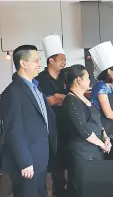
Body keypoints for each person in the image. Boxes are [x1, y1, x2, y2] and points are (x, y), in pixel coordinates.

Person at [1, 45, 57, 197]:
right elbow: (13, 130)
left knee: (41, 192)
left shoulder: (35, 87)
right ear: (23, 63)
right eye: (36, 61)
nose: (40, 64)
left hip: (40, 155)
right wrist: (24, 161)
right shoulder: (13, 92)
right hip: (27, 161)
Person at [62, 64, 112, 196]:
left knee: (95, 187)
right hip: (82, 153)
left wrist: (106, 138)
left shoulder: (85, 98)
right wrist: (102, 144)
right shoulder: (71, 101)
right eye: (88, 77)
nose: (90, 80)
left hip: (95, 150)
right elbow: (83, 129)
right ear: (79, 79)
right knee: (83, 189)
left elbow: (97, 122)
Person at [35, 34, 71, 197]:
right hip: (51, 125)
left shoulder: (65, 76)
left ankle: (69, 186)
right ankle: (58, 189)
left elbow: (71, 96)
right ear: (51, 60)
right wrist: (64, 98)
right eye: (61, 59)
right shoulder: (42, 79)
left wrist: (60, 96)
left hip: (67, 122)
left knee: (68, 154)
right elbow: (50, 101)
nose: (64, 62)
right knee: (56, 158)